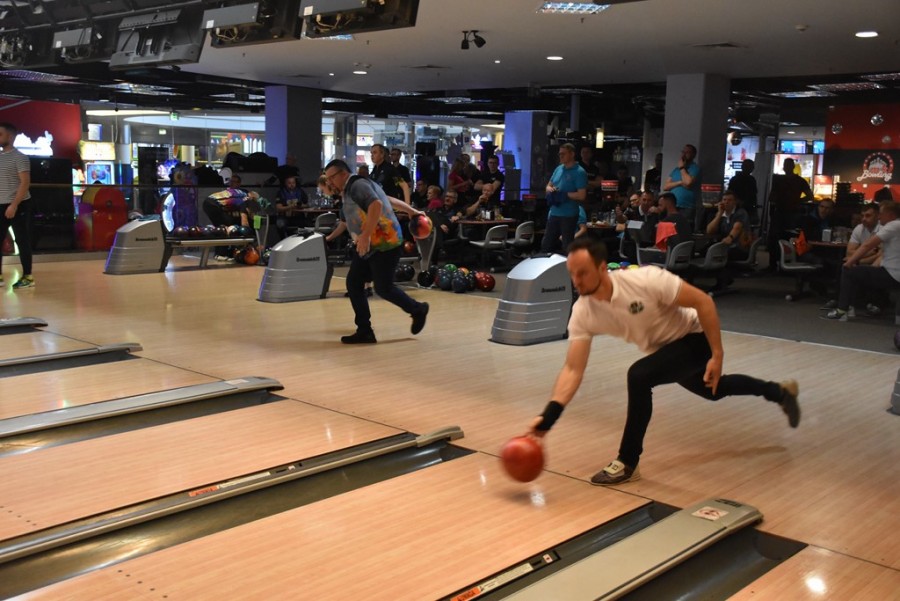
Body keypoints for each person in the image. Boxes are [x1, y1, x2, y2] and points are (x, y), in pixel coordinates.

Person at [525, 236, 800, 485]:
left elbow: (703, 302)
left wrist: (717, 355)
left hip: (696, 338)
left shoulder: (645, 280)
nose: (576, 280)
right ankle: (780, 392)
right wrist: (549, 416)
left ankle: (628, 461)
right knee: (714, 390)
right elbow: (573, 369)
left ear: (602, 268)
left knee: (639, 376)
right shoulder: (583, 311)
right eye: (572, 273)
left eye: (582, 273)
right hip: (666, 351)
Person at [321, 159, 429, 344]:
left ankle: (418, 309)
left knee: (383, 288)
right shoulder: (356, 185)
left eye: (331, 177)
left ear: (343, 174)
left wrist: (365, 235)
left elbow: (377, 204)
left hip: (385, 244)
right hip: (370, 245)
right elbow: (387, 199)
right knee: (354, 283)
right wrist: (410, 210)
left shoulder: (357, 185)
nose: (329, 182)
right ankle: (364, 331)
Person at [824, 201, 900, 321]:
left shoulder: (893, 226)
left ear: (890, 215)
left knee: (848, 271)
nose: (879, 216)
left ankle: (842, 311)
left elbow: (867, 245)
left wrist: (849, 262)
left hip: (892, 274)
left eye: (881, 213)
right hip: (893, 272)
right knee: (860, 271)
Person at [0, 122, 33, 289]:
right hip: (1, 204)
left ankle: (28, 276)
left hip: (18, 204)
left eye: (0, 134)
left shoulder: (20, 157)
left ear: (10, 136)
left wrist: (13, 205)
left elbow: (25, 183)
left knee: (22, 240)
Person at [540, 143, 588, 255]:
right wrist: (550, 189)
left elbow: (582, 195)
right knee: (546, 245)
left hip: (568, 215)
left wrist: (565, 195)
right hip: (554, 212)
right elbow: (548, 185)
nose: (560, 156)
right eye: (559, 154)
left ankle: (568, 265)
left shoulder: (579, 172)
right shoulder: (558, 169)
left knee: (567, 246)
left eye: (563, 154)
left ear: (572, 154)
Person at [766, 158, 813, 270]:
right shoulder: (797, 181)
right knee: (781, 238)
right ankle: (782, 263)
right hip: (787, 212)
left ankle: (779, 263)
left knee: (784, 238)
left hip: (787, 212)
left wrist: (797, 201)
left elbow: (772, 197)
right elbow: (809, 196)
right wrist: (798, 201)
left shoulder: (780, 180)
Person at [202, 174, 259, 260]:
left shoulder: (237, 193)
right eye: (230, 181)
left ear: (239, 183)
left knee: (224, 226)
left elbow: (229, 207)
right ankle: (220, 254)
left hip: (209, 203)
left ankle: (225, 252)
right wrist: (246, 233)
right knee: (225, 228)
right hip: (212, 205)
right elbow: (244, 218)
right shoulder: (244, 198)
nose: (231, 183)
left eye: (234, 182)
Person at [663, 144, 701, 232]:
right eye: (683, 152)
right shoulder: (676, 170)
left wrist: (682, 168)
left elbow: (688, 182)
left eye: (687, 152)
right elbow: (666, 186)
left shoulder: (695, 168)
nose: (684, 154)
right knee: (671, 230)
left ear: (693, 155)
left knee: (683, 230)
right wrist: (680, 182)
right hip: (673, 205)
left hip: (687, 207)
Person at [706, 190, 750, 261]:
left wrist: (730, 237)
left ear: (735, 202)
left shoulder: (741, 212)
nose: (726, 202)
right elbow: (709, 231)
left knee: (718, 254)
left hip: (739, 247)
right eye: (724, 200)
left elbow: (737, 228)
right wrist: (719, 214)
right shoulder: (721, 214)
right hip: (725, 246)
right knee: (704, 251)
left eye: (730, 200)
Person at [728, 159, 758, 225]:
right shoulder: (751, 180)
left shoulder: (735, 179)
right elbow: (753, 195)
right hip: (744, 207)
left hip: (741, 206)